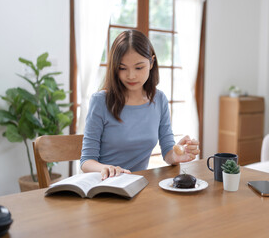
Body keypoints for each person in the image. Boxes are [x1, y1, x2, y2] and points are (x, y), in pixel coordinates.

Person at [80, 29, 200, 180]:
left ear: (151, 63)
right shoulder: (100, 101)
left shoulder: (159, 99)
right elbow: (86, 161)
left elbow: (168, 152)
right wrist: (106, 168)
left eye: (139, 67)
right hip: (102, 185)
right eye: (122, 68)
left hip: (135, 186)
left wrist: (177, 155)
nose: (131, 75)